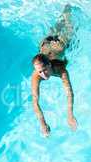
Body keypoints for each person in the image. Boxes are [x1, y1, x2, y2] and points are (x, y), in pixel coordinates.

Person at [31, 5, 77, 137]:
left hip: (60, 45)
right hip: (45, 44)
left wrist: (70, 115)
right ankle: (66, 7)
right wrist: (43, 123)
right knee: (57, 24)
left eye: (44, 70)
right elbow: (35, 101)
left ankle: (70, 7)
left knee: (69, 23)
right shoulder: (36, 75)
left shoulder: (61, 70)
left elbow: (69, 93)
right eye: (40, 72)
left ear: (50, 65)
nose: (43, 74)